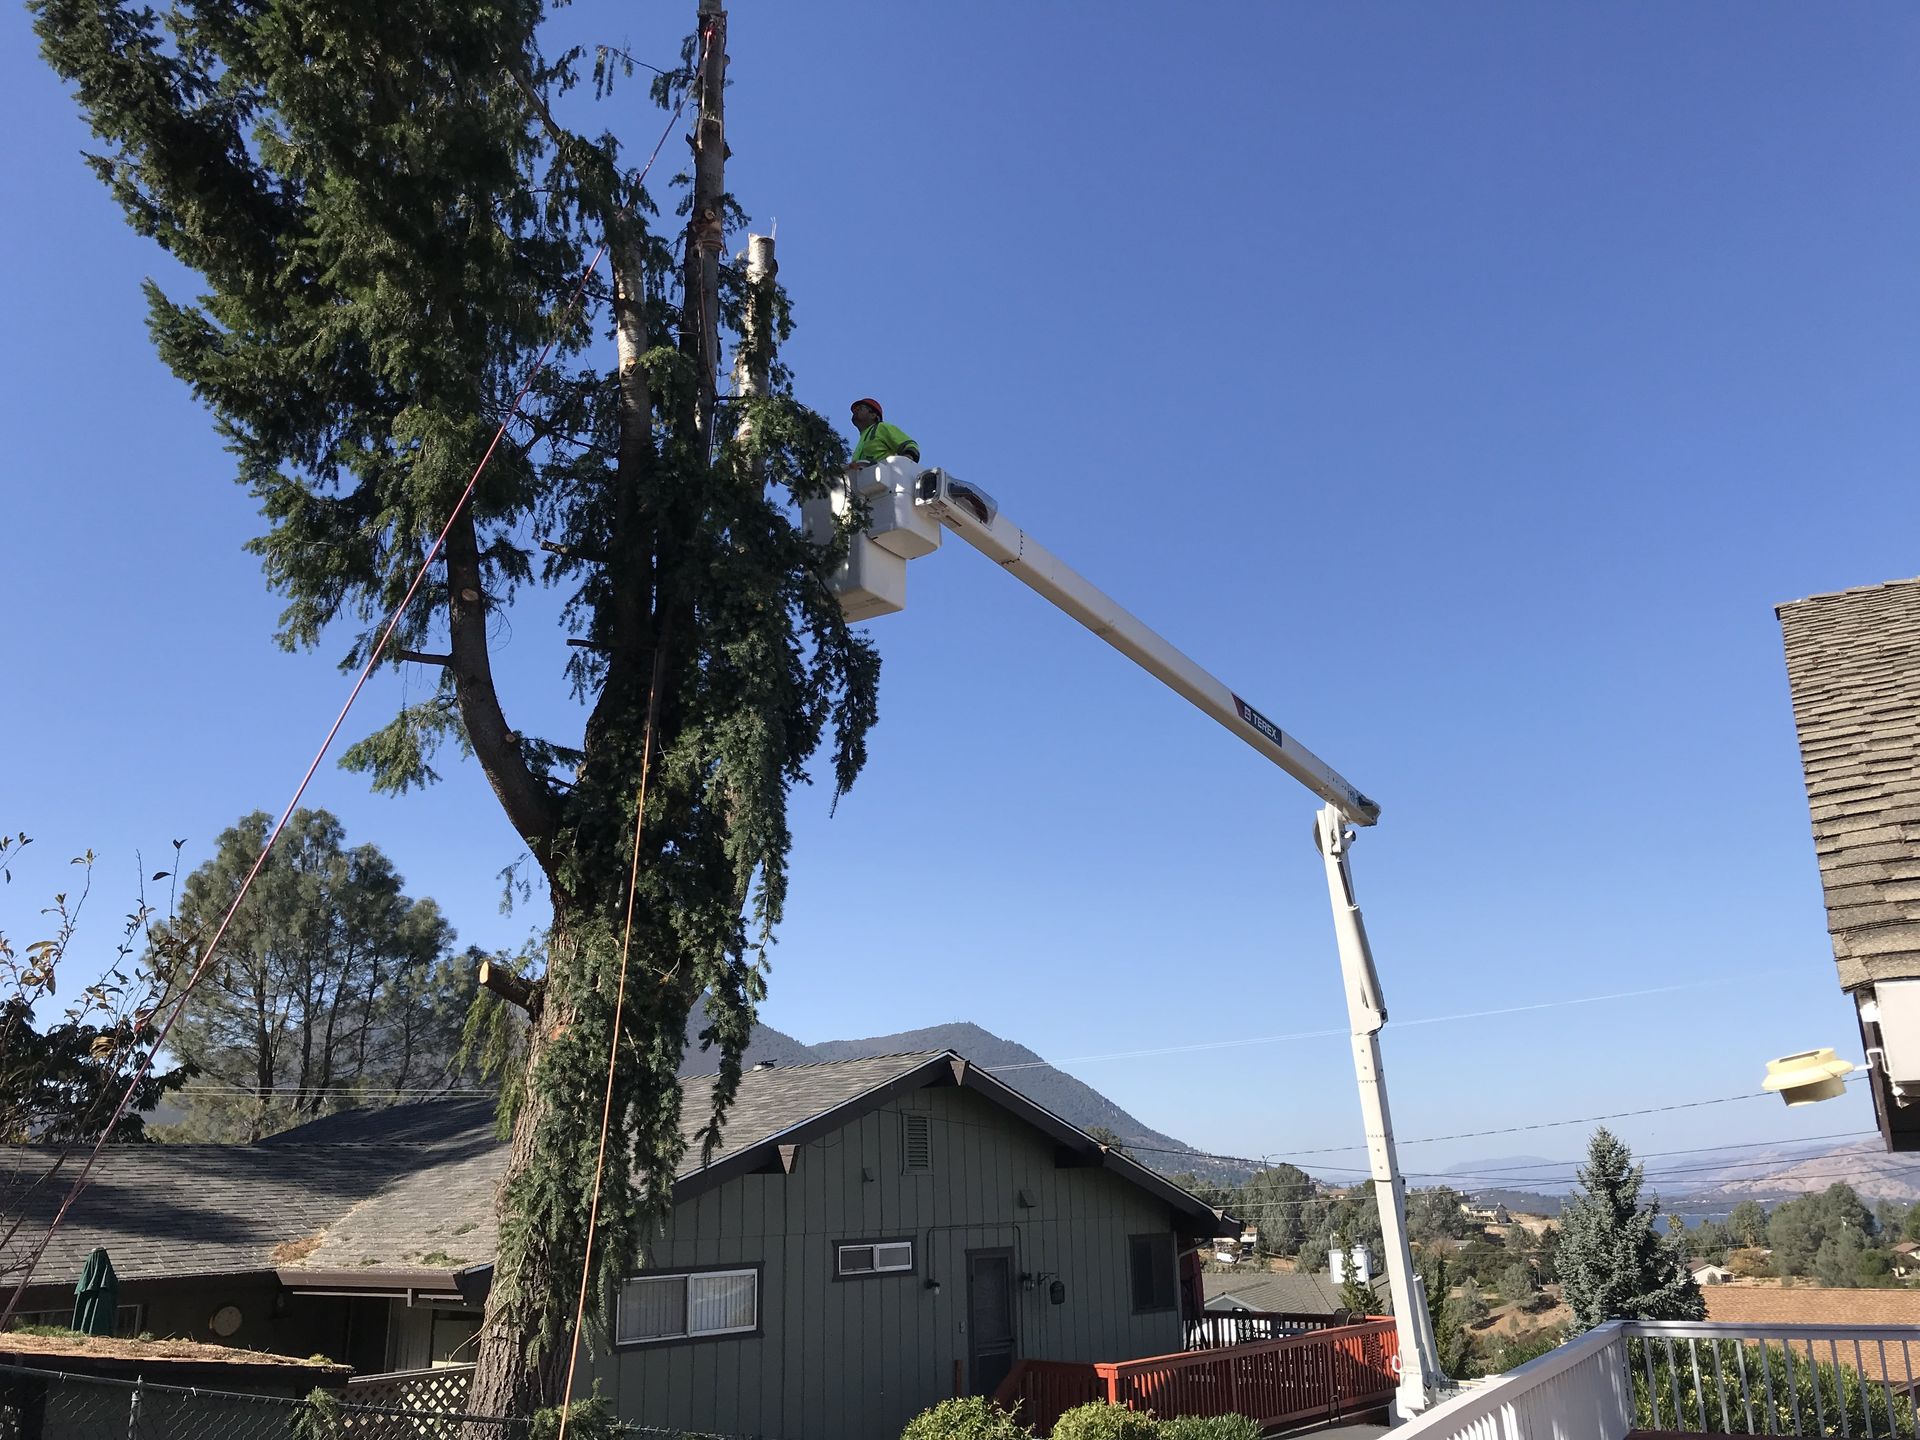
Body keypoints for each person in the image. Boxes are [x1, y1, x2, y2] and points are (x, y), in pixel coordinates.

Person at [848, 397, 919, 466]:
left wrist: (907, 459)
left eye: (860, 408)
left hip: (884, 475)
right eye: (855, 410)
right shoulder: (862, 441)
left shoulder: (881, 427)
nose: (855, 411)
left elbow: (909, 445)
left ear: (873, 415)